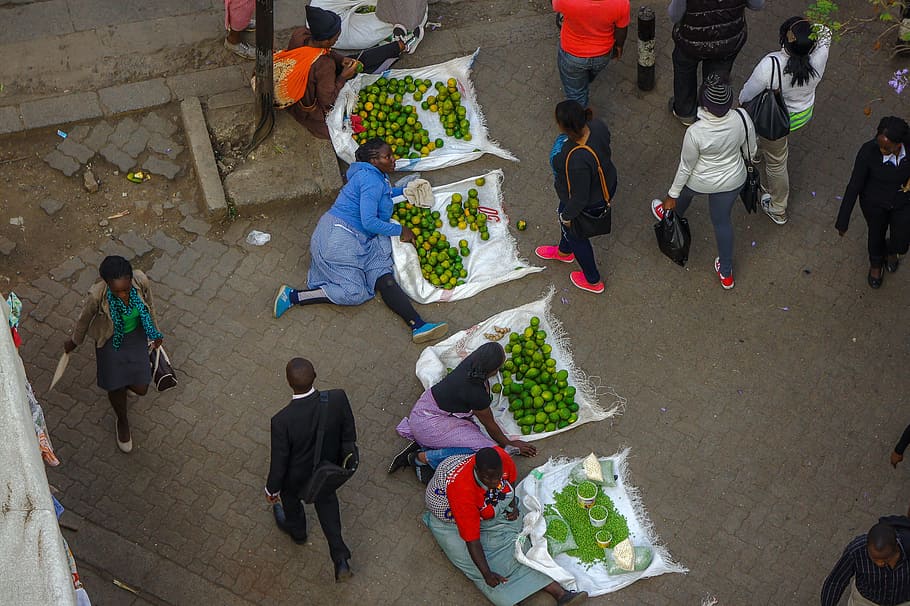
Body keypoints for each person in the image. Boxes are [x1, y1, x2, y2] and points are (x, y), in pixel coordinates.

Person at [273, 138, 448, 344]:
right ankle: (293, 296)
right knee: (355, 292)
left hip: (358, 238)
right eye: (388, 156)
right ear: (374, 161)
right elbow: (370, 221)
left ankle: (418, 325)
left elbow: (379, 196)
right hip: (336, 241)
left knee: (382, 273)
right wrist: (401, 230)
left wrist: (405, 191)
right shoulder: (371, 180)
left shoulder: (373, 175)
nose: (394, 159)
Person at [423, 447, 588, 606]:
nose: (495, 482)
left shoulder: (501, 458)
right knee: (473, 563)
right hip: (448, 515)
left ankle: (561, 594)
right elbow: (472, 541)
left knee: (516, 538)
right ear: (478, 471)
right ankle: (514, 596)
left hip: (480, 501)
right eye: (489, 479)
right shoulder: (462, 492)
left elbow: (510, 480)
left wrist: (513, 505)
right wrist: (487, 574)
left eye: (498, 476)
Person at [652, 74, 756, 290]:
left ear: (704, 105)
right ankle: (726, 273)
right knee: (722, 223)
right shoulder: (742, 117)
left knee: (684, 193)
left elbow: (685, 167)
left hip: (699, 180)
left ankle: (670, 213)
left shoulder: (695, 132)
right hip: (733, 180)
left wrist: (672, 195)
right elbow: (752, 149)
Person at [389, 343, 538, 483]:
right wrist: (509, 444)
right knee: (484, 453)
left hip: (423, 412)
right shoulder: (476, 394)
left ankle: (427, 444)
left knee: (474, 436)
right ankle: (420, 458)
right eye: (499, 367)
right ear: (492, 371)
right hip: (430, 424)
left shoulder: (471, 363)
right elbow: (490, 424)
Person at [265, 358, 357, 582]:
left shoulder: (281, 421)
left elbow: (279, 462)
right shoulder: (337, 398)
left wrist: (271, 490)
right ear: (315, 375)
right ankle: (340, 559)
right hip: (326, 471)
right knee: (327, 504)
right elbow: (349, 434)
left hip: (294, 479)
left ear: (288, 383)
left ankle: (298, 533)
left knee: (291, 503)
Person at [64, 256, 163, 453]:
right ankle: (122, 420)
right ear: (106, 284)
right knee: (115, 385)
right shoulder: (97, 295)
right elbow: (83, 321)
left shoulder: (141, 281)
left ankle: (125, 383)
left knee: (141, 387)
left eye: (126, 289)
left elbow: (149, 307)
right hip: (110, 341)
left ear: (131, 280)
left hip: (135, 337)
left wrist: (155, 332)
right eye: (116, 291)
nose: (123, 295)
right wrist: (74, 341)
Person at [739, 17, 831, 225]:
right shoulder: (820, 56)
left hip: (775, 121)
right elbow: (825, 31)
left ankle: (778, 207)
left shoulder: (770, 65)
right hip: (802, 114)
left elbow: (747, 95)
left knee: (777, 162)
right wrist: (805, 33)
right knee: (771, 148)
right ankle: (758, 152)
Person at [283, 6, 415, 139]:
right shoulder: (324, 65)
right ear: (326, 41)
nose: (337, 41)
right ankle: (399, 46)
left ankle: (397, 47)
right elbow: (328, 101)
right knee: (362, 73)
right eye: (336, 38)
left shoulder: (300, 35)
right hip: (311, 106)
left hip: (296, 87)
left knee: (356, 60)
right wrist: (342, 78)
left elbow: (322, 52)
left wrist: (341, 59)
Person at [536, 100, 617, 294]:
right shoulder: (598, 126)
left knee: (575, 233)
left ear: (564, 127)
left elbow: (580, 198)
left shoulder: (574, 158)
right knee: (566, 224)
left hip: (589, 201)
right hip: (608, 180)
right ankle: (564, 251)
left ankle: (593, 280)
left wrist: (567, 216)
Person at [835, 116, 910, 289]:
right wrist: (843, 220)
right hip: (874, 204)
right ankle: (876, 264)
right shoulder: (868, 152)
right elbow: (854, 186)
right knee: (876, 234)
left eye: (887, 147)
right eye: (880, 144)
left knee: (902, 239)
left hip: (903, 202)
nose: (882, 149)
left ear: (899, 144)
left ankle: (892, 251)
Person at [668, 0, 765, 126]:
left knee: (684, 69)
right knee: (716, 77)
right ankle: (711, 112)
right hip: (727, 41)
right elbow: (757, 5)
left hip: (691, 40)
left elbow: (675, 15)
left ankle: (685, 112)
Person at [552, 0, 630, 108]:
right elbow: (621, 30)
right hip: (602, 56)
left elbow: (555, 6)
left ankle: (580, 121)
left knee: (576, 94)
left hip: (572, 56)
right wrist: (619, 46)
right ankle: (584, 80)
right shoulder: (621, 3)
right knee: (590, 74)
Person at [820, 518, 910, 606]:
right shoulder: (856, 551)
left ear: (896, 548)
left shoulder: (907, 549)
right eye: (874, 558)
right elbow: (836, 581)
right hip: (866, 601)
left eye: (885, 559)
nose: (880, 564)